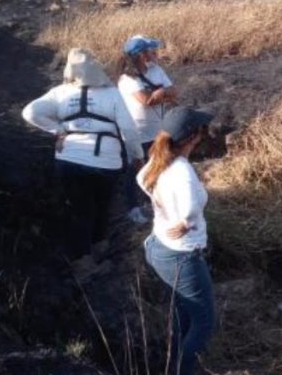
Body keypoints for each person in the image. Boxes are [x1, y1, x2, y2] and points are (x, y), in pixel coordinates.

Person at [21, 48, 143, 260]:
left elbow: (30, 112)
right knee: (102, 206)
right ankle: (99, 247)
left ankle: (81, 259)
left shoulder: (59, 93)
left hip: (69, 159)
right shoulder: (112, 93)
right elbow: (129, 130)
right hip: (106, 162)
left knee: (78, 210)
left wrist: (58, 130)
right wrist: (137, 155)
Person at [138, 106, 215, 375]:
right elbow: (191, 206)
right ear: (193, 137)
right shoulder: (182, 170)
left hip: (158, 247)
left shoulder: (158, 158)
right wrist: (185, 222)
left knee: (182, 313)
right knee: (205, 322)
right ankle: (181, 369)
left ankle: (174, 359)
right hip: (182, 256)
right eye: (202, 130)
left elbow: (140, 179)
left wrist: (165, 211)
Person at [118, 35, 177, 224]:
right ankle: (133, 209)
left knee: (157, 168)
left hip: (156, 130)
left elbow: (175, 93)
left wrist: (158, 95)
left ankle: (152, 204)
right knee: (134, 171)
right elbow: (145, 101)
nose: (156, 52)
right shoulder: (127, 78)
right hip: (135, 133)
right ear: (142, 55)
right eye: (151, 50)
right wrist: (160, 93)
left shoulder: (156, 70)